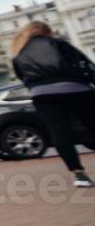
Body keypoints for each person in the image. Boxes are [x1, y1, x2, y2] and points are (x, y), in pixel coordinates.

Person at [10, 21, 95, 188]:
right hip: (75, 89)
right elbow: (83, 64)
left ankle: (79, 174)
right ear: (46, 32)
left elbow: (21, 76)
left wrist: (37, 87)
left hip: (43, 96)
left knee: (60, 134)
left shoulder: (19, 53)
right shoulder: (58, 43)